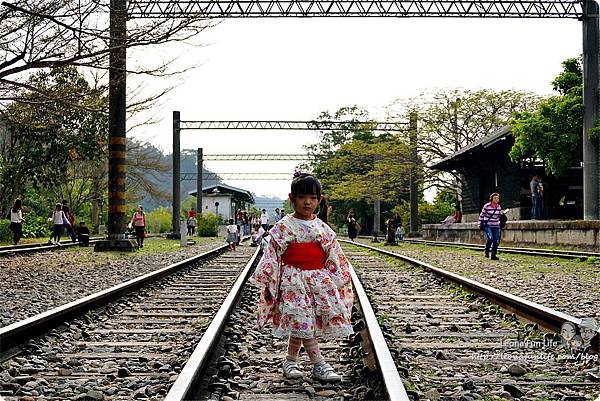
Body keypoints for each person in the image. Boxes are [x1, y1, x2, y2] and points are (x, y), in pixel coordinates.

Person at [251, 173, 353, 383]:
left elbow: (333, 254)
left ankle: (291, 361)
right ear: (292, 198)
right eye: (302, 197)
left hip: (318, 281)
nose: (308, 202)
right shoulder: (283, 227)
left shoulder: (323, 229)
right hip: (293, 280)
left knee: (305, 321)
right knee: (302, 319)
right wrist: (270, 279)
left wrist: (335, 279)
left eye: (313, 198)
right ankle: (318, 364)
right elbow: (273, 253)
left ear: (319, 199)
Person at [479, 192, 502, 260]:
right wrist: (480, 223)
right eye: (495, 198)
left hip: (496, 225)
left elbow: (498, 216)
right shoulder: (487, 206)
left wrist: (501, 215)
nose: (497, 199)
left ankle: (493, 255)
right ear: (491, 199)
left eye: (498, 198)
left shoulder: (498, 207)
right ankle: (486, 250)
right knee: (491, 238)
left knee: (496, 240)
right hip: (488, 225)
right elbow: (482, 215)